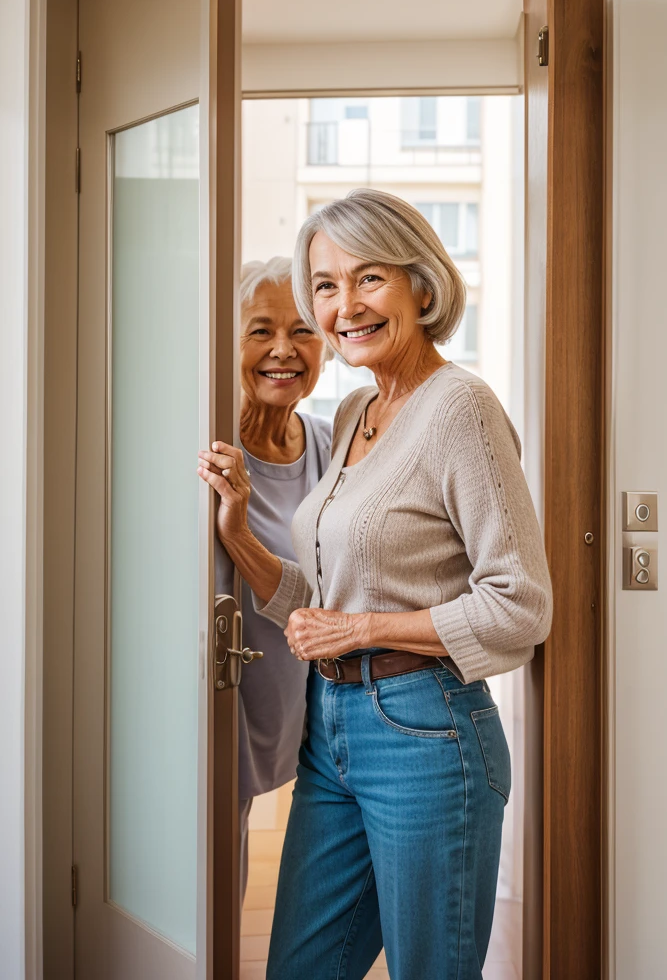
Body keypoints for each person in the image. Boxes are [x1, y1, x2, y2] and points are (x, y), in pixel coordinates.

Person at [197, 191, 552, 979]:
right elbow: (326, 601)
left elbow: (520, 605)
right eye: (325, 284)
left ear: (421, 286)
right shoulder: (358, 409)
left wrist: (362, 632)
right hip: (333, 732)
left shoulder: (460, 408)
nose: (343, 305)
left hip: (428, 734)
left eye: (369, 279)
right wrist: (238, 536)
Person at [199, 256, 331, 901]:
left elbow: (333, 601)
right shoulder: (209, 454)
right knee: (214, 893)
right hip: (218, 709)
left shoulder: (335, 448)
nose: (284, 350)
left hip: (307, 712)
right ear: (228, 341)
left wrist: (241, 535)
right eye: (260, 331)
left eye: (302, 329)